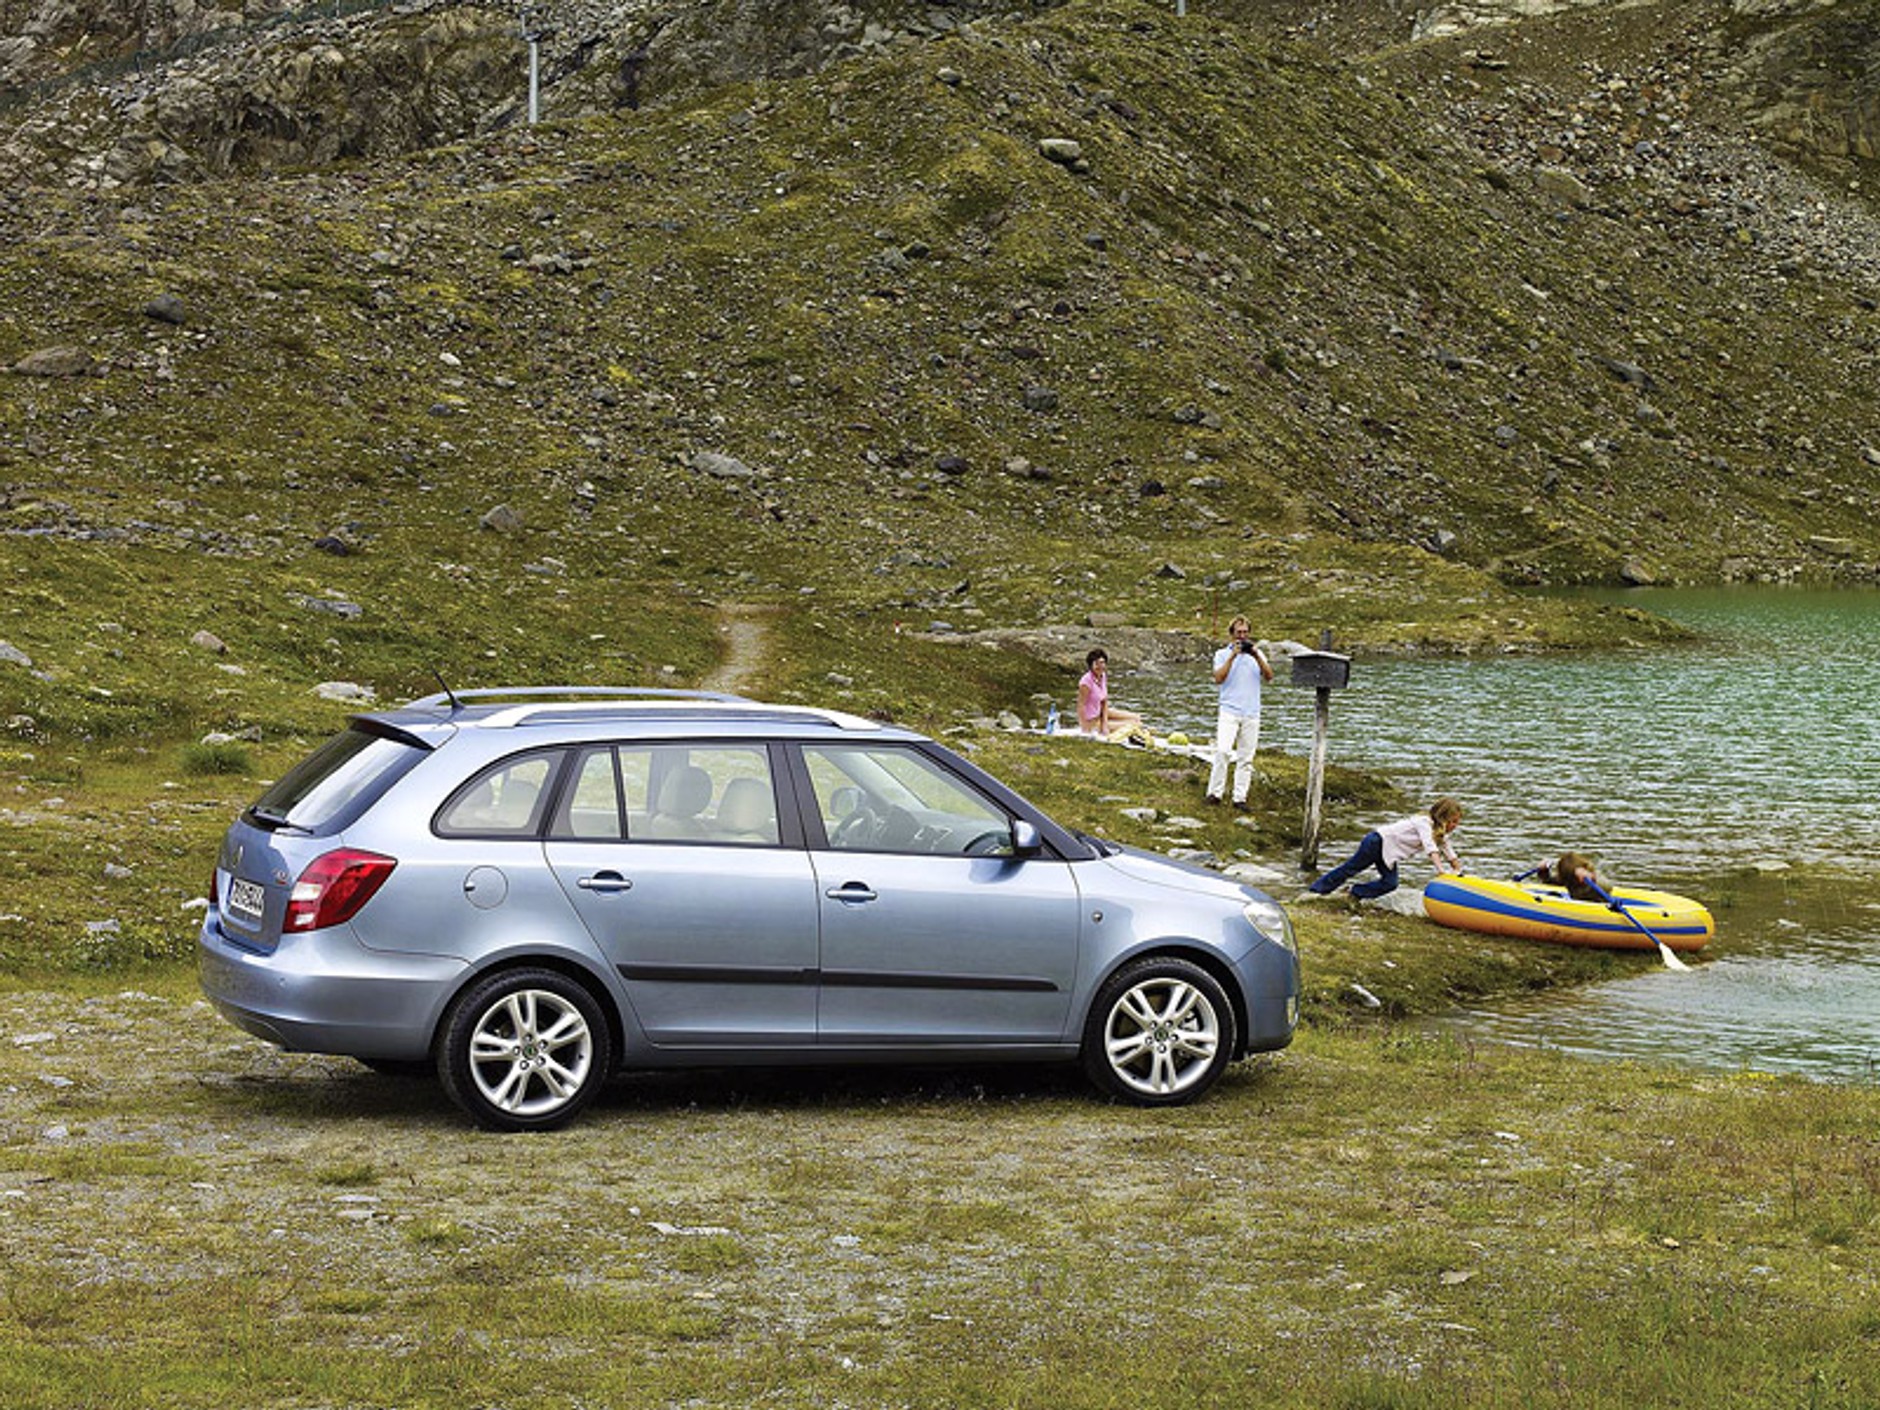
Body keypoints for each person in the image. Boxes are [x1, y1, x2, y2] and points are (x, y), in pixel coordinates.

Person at [1305, 798, 1464, 901]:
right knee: (1350, 868)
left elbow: (1448, 850)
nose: (1455, 825)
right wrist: (1440, 870)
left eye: (1457, 822)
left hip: (1388, 853)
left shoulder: (1440, 833)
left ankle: (1353, 892)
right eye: (1453, 821)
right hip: (1377, 842)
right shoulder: (1424, 822)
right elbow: (1430, 847)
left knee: (1390, 883)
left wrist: (1457, 869)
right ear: (1443, 818)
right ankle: (1316, 892)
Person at [1206, 616, 1273, 808]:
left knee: (1246, 757)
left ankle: (1239, 797)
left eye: (1245, 633)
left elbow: (1269, 676)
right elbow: (1218, 678)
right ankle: (1214, 793)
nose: (1242, 637)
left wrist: (1256, 656)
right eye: (1238, 633)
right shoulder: (1221, 654)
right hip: (1229, 710)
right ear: (1232, 634)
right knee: (1223, 751)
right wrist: (1232, 656)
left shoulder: (1257, 654)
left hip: (1252, 712)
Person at [1077, 649, 1142, 737]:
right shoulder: (1086, 682)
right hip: (1092, 722)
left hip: (1101, 713)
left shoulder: (1102, 676)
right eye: (1097, 664)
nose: (1101, 666)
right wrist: (1085, 729)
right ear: (1091, 665)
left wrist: (1105, 723)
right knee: (1135, 725)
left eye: (1103, 663)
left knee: (1137, 718)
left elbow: (1104, 700)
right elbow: (1081, 705)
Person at [1535, 851, 1602, 902]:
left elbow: (1607, 887)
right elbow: (1549, 882)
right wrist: (1543, 871)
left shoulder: (1592, 881)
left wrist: (1592, 878)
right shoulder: (1567, 880)